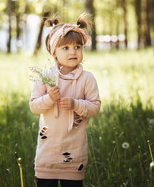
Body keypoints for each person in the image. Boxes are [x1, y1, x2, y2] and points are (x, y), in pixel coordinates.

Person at [29, 13, 101, 187]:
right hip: (48, 152)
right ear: (54, 52)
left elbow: (95, 107)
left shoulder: (87, 79)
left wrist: (76, 105)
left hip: (74, 151)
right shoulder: (46, 77)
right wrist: (48, 99)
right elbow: (34, 106)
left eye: (77, 46)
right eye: (66, 48)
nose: (73, 52)